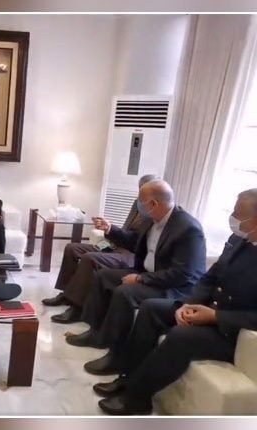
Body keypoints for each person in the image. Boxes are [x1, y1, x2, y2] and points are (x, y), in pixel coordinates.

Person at [95, 189, 257, 415]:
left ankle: (137, 398)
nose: (232, 217)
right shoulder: (238, 239)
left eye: (238, 214)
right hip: (207, 308)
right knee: (151, 309)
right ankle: (127, 377)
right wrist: (190, 304)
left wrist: (215, 316)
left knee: (181, 336)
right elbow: (211, 277)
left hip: (234, 330)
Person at [66, 180, 207, 376]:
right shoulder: (151, 220)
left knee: (125, 293)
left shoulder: (188, 229)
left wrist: (141, 280)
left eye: (141, 201)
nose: (138, 205)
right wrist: (111, 230)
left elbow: (183, 273)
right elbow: (135, 243)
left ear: (154, 204)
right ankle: (96, 333)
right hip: (149, 274)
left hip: (174, 286)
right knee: (103, 276)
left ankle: (116, 356)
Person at [42, 174, 160, 324]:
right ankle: (66, 294)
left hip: (130, 254)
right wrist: (109, 233)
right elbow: (126, 229)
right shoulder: (137, 203)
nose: (140, 196)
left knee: (90, 258)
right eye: (139, 191)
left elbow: (140, 243)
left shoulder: (155, 212)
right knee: (72, 248)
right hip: (116, 246)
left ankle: (78, 308)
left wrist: (113, 230)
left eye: (144, 193)